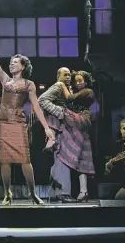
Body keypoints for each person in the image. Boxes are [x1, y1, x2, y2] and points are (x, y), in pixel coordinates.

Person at [0, 24, 55, 205]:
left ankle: (33, 194)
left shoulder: (29, 84)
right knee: (4, 160)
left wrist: (47, 128)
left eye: (15, 62)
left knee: (25, 159)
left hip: (18, 122)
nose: (11, 63)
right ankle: (7, 193)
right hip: (3, 120)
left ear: (23, 66)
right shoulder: (5, 80)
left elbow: (36, 107)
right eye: (10, 61)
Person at [38, 67, 77, 203]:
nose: (67, 77)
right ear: (58, 76)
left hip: (62, 127)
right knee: (63, 159)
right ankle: (63, 193)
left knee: (58, 160)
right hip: (60, 126)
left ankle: (55, 193)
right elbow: (42, 100)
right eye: (65, 74)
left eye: (69, 75)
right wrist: (60, 112)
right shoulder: (58, 86)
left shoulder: (66, 88)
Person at [57, 70, 96, 202]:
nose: (78, 83)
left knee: (61, 112)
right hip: (77, 126)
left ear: (86, 81)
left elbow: (69, 98)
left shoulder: (87, 92)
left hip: (81, 120)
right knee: (81, 159)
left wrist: (62, 85)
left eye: (81, 80)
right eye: (76, 81)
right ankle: (83, 191)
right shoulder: (77, 92)